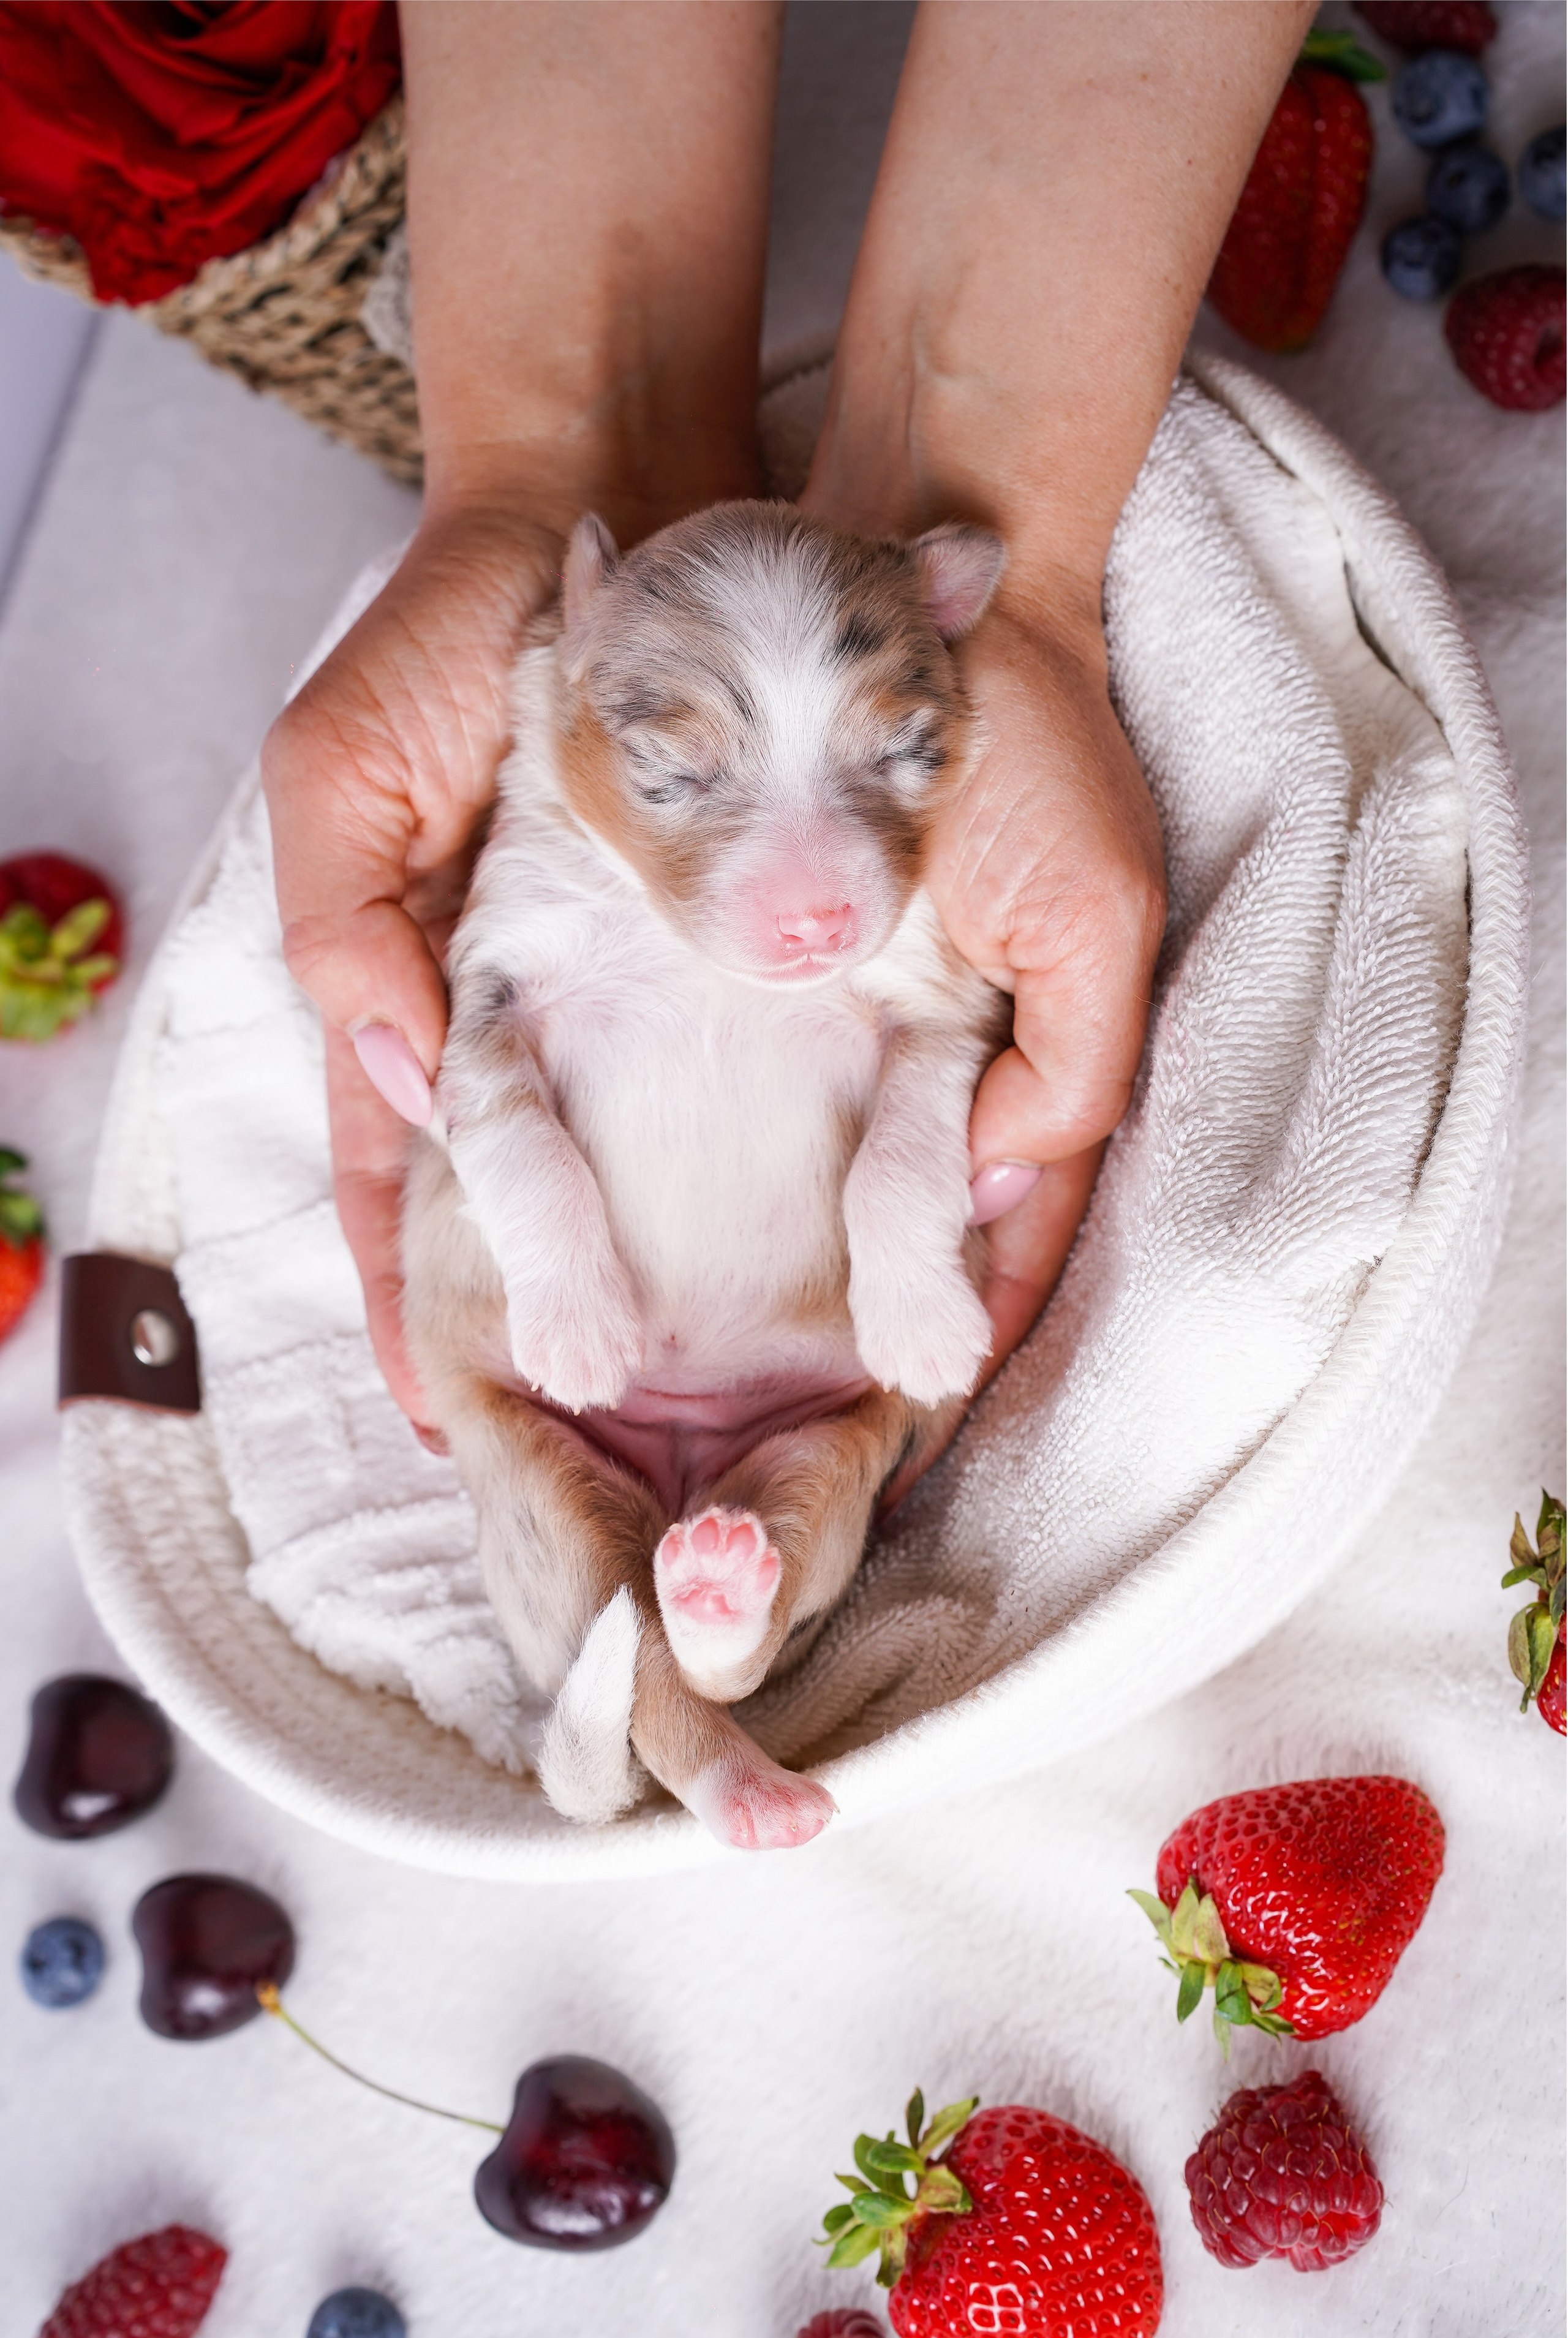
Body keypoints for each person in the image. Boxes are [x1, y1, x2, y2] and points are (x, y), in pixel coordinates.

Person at [262, 0, 1314, 1471]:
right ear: (559, 678)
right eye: (675, 776)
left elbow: (919, 1030)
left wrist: (1020, 592)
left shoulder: (887, 695)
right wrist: (537, 482)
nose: (817, 895)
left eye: (894, 753)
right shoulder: (556, 787)